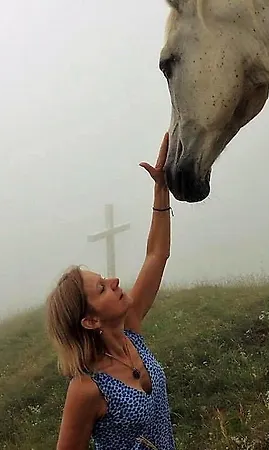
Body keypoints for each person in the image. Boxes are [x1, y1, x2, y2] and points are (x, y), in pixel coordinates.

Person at [45, 132, 176, 450]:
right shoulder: (87, 388)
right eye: (102, 288)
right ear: (90, 321)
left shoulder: (131, 330)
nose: (115, 282)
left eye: (105, 279)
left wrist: (161, 190)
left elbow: (157, 255)